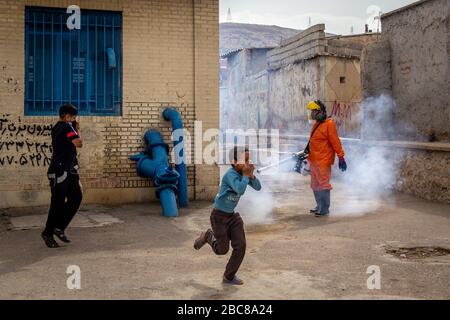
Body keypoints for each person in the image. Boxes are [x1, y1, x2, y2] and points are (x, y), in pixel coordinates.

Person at [193, 146, 261, 285]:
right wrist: (247, 176)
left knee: (240, 245)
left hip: (232, 216)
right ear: (235, 162)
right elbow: (240, 190)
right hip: (219, 217)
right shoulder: (230, 175)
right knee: (222, 250)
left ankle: (229, 276)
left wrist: (252, 176)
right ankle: (208, 235)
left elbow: (258, 187)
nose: (248, 163)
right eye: (245, 160)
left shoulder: (244, 173)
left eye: (249, 159)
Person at [41, 104, 83, 248]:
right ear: (67, 117)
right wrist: (78, 130)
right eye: (73, 117)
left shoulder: (57, 127)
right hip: (60, 172)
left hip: (68, 171)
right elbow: (79, 143)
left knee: (76, 197)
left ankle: (58, 227)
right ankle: (48, 232)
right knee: (57, 204)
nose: (74, 120)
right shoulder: (66, 127)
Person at [306, 100, 347, 217]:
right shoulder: (316, 124)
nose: (311, 114)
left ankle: (324, 209)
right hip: (314, 160)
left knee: (323, 184)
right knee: (315, 184)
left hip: (323, 161)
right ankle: (319, 205)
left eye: (313, 111)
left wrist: (341, 157)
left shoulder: (329, 124)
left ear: (318, 111)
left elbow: (336, 142)